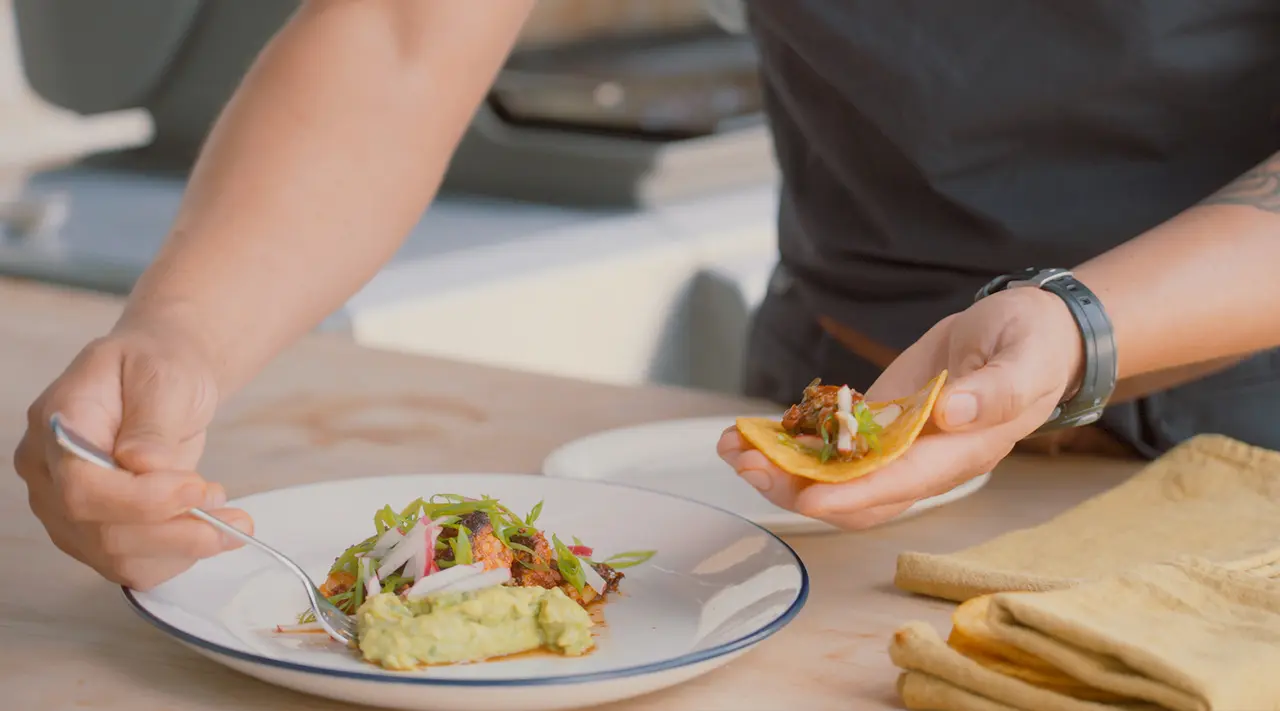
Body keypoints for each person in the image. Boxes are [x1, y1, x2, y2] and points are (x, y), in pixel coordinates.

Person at [12, 1, 1280, 590]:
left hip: (1245, 467)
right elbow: (404, 36)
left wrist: (1080, 328)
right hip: (830, 449)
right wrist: (175, 332)